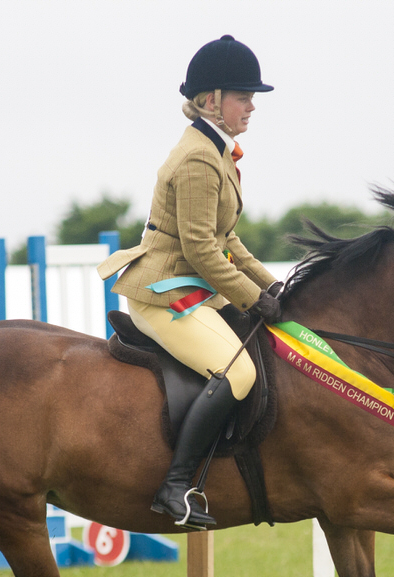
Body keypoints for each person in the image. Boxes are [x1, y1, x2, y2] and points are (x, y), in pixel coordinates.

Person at [97, 35, 281, 528]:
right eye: (244, 96)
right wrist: (253, 297)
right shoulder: (199, 157)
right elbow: (202, 249)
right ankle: (175, 486)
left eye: (253, 97)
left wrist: (272, 286)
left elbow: (228, 240)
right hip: (163, 294)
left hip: (192, 290)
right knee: (238, 372)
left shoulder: (218, 151)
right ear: (211, 101)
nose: (251, 106)